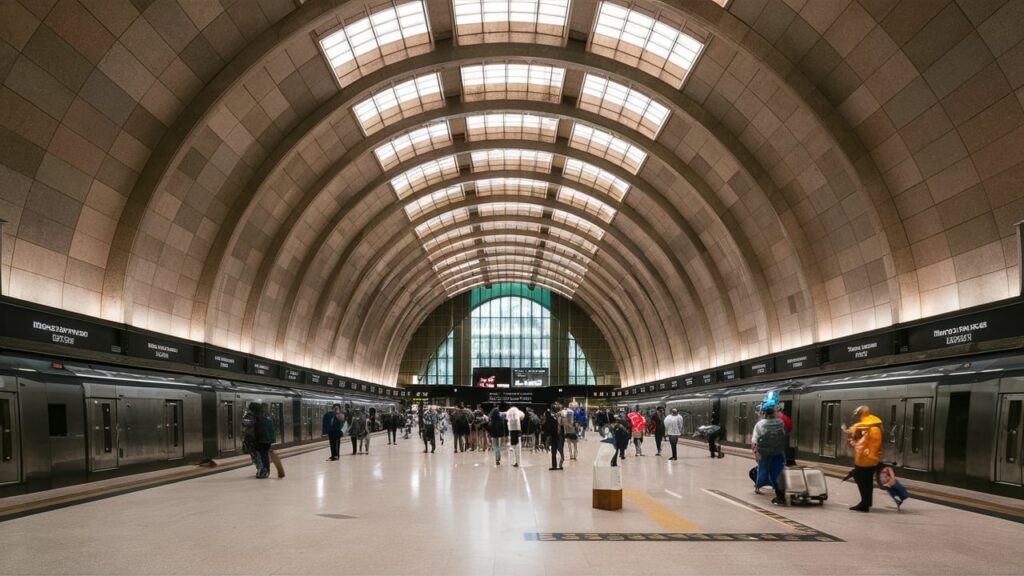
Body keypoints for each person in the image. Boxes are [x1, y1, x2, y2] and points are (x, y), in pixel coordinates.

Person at [847, 405, 882, 512]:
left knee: (864, 482)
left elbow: (872, 447)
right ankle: (866, 502)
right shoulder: (868, 430)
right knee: (866, 482)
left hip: (867, 462)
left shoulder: (874, 430)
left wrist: (857, 445)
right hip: (864, 461)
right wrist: (854, 443)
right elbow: (863, 444)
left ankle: (865, 504)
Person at [751, 406, 786, 505]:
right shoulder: (780, 422)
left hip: (765, 453)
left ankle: (758, 486)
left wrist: (756, 452)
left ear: (764, 414)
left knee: (763, 470)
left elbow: (754, 440)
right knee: (777, 472)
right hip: (778, 452)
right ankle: (780, 495)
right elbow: (783, 435)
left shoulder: (760, 424)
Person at [242, 402, 275, 478]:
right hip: (268, 439)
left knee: (257, 455)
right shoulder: (267, 415)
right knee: (265, 455)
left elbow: (245, 423)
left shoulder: (252, 416)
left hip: (257, 439)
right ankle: (266, 471)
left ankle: (262, 471)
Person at [543, 404, 562, 470]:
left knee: (554, 452)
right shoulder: (553, 419)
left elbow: (549, 433)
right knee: (556, 452)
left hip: (554, 437)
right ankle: (557, 465)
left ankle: (555, 466)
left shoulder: (550, 421)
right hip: (557, 437)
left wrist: (547, 443)